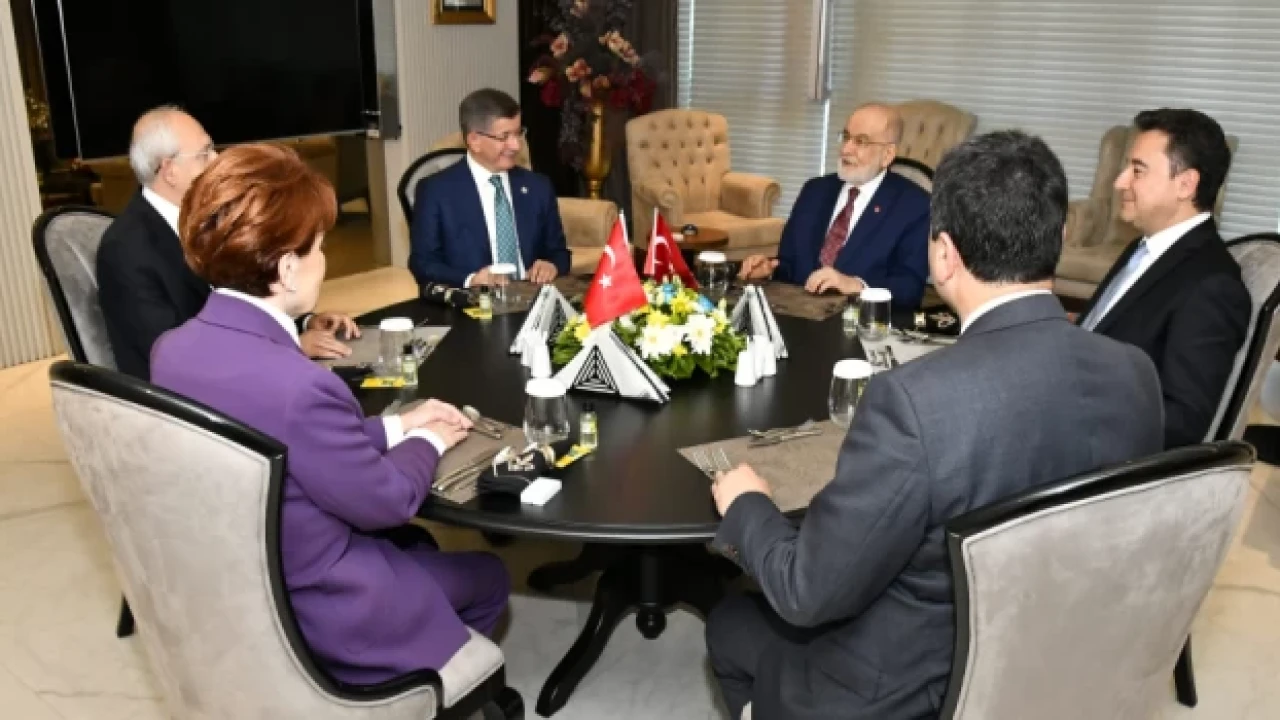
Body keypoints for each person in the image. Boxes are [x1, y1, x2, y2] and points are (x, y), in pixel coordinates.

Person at [705, 131, 1164, 719]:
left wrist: (748, 504)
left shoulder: (914, 403)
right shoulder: (1135, 372)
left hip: (913, 688)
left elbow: (806, 592)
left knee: (730, 624)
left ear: (944, 255)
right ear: (1060, 235)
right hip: (1062, 656)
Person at [150, 144, 509, 683]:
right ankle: (419, 693)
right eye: (319, 247)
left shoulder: (171, 350)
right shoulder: (301, 385)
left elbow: (296, 439)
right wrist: (430, 439)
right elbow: (387, 502)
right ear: (287, 269)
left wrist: (399, 424)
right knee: (488, 575)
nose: (324, 260)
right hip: (324, 604)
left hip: (238, 578)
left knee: (419, 549)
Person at [97, 106, 357, 380]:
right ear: (170, 171)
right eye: (205, 153)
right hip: (192, 397)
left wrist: (304, 322)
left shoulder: (212, 216)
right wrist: (288, 347)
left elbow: (249, 293)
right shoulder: (126, 250)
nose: (217, 159)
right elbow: (173, 360)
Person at [1078, 108, 1250, 449]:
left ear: (1185, 184)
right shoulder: (1142, 247)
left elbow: (1182, 423)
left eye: (1137, 170)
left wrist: (1069, 411)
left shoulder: (1212, 285)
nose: (1119, 182)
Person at [737, 103, 930, 307]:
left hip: (857, 318)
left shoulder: (914, 206)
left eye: (861, 141)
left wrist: (856, 286)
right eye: (846, 137)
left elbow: (909, 288)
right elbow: (789, 265)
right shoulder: (815, 191)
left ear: (887, 154)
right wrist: (768, 270)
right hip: (797, 312)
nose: (846, 149)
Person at [408, 89, 571, 290]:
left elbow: (559, 252)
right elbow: (423, 263)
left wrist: (552, 264)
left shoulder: (538, 186)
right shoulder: (436, 191)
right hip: (474, 302)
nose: (516, 145)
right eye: (504, 136)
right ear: (474, 140)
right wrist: (471, 279)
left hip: (532, 298)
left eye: (518, 133)